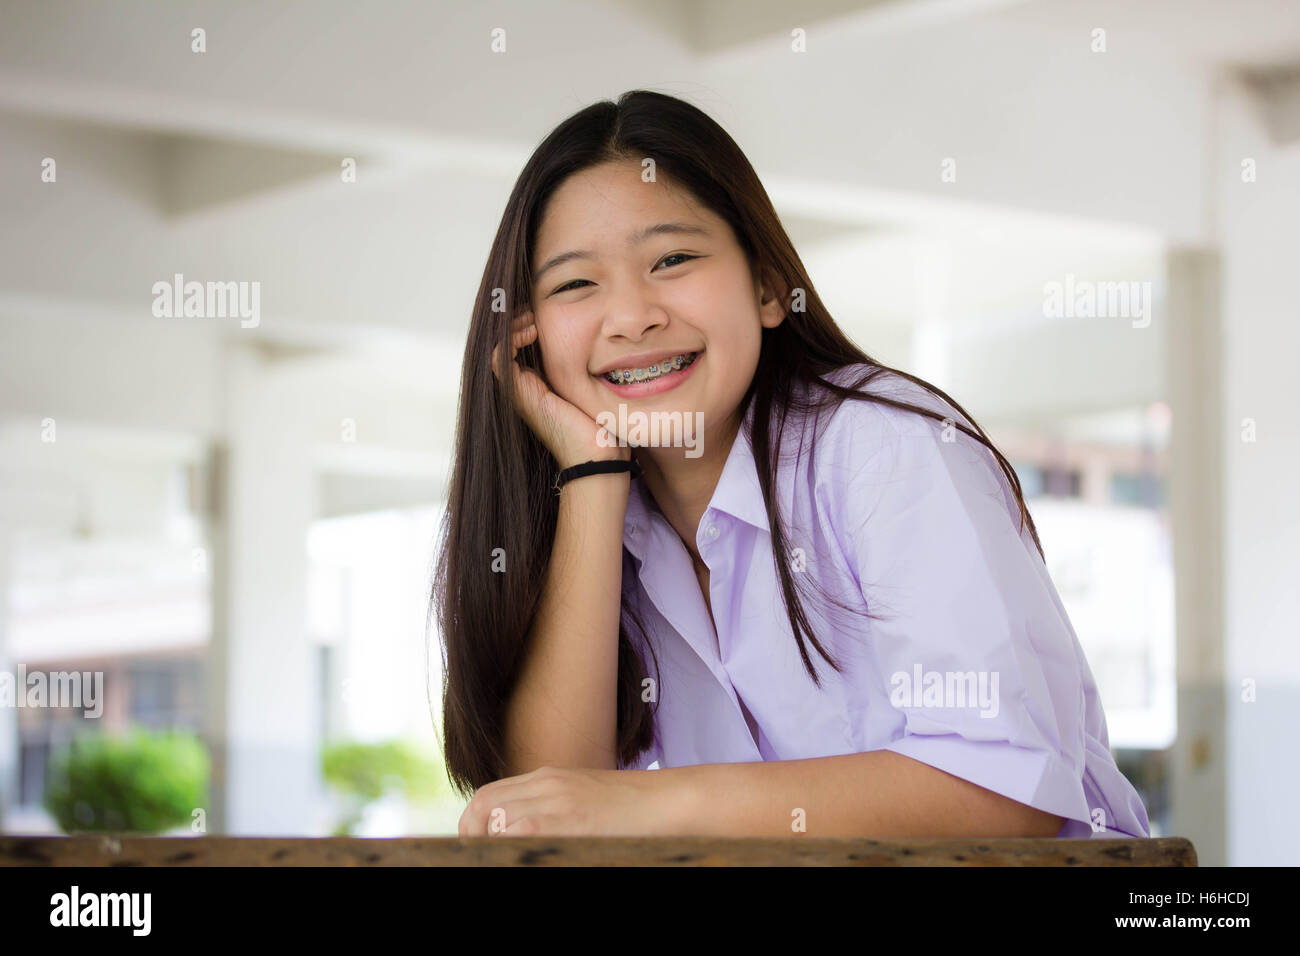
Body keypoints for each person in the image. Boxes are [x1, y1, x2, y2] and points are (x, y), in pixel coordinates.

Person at [433, 89, 1151, 840]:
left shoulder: (883, 450)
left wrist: (650, 806)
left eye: (672, 259)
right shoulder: (589, 517)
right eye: (576, 283)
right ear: (527, 334)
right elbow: (551, 814)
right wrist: (590, 476)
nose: (632, 316)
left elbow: (1006, 792)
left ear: (770, 286)